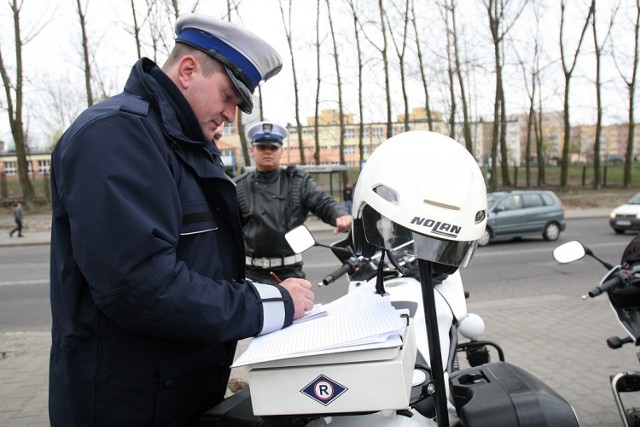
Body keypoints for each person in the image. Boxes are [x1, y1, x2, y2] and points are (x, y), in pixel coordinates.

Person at [48, 13, 314, 427]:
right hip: (128, 404)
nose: (231, 115)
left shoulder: (184, 143)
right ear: (188, 71)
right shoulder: (117, 135)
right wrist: (272, 306)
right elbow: (143, 287)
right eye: (229, 96)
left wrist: (263, 290)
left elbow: (200, 262)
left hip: (175, 392)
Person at [235, 120, 353, 285]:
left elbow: (322, 201)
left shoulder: (297, 181)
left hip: (290, 274)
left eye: (273, 147)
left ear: (281, 150)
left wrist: (340, 215)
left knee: (295, 311)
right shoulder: (239, 186)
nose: (268, 151)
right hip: (250, 275)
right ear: (252, 150)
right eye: (262, 147)